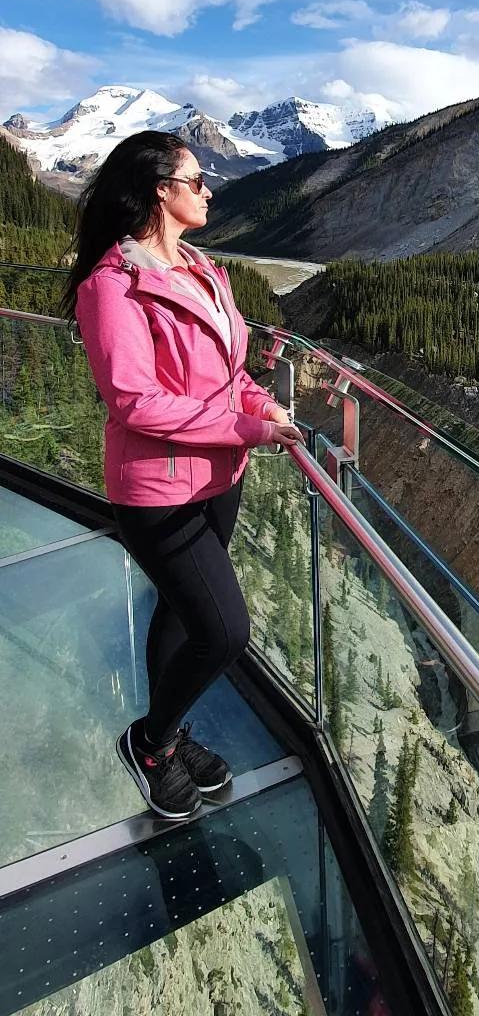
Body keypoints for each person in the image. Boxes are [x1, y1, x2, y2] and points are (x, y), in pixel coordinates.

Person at [63, 130, 302, 821]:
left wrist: (261, 405)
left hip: (220, 476)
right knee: (225, 631)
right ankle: (146, 744)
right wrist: (250, 427)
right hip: (157, 489)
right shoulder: (111, 286)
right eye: (197, 181)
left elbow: (228, 375)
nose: (207, 192)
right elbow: (135, 400)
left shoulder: (201, 268)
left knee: (179, 609)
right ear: (160, 190)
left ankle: (165, 739)